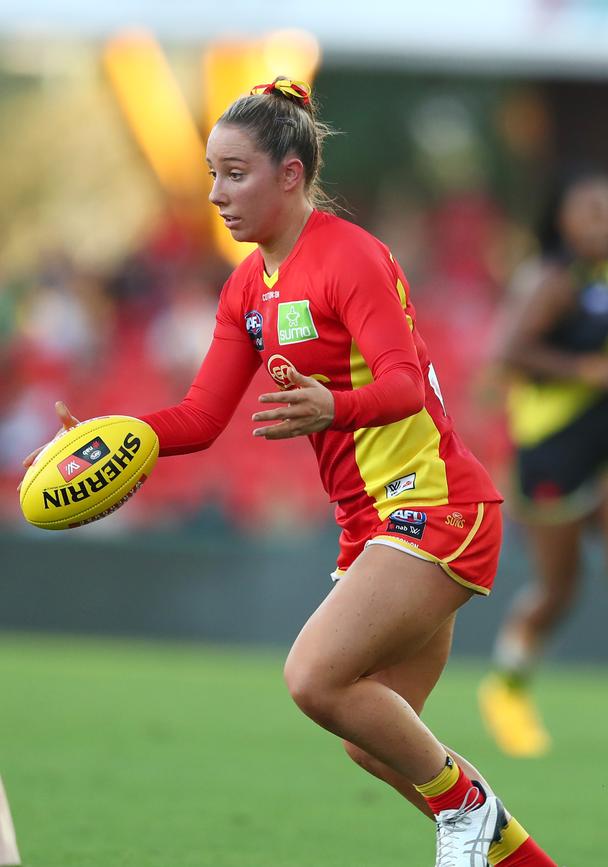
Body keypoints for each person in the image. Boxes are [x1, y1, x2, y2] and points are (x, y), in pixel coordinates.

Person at [23, 78, 558, 867]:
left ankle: (470, 810)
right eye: (211, 174)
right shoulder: (247, 286)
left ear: (291, 174)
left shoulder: (352, 256)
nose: (215, 194)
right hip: (372, 525)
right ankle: (510, 848)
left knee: (314, 677)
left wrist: (328, 407)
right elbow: (202, 418)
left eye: (234, 173)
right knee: (375, 742)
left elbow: (406, 383)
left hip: (437, 503)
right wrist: (116, 433)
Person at [478, 172, 608, 758]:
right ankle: (507, 686)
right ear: (564, 221)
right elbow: (508, 354)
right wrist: (585, 371)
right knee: (560, 588)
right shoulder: (550, 281)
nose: (602, 220)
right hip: (552, 440)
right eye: (589, 210)